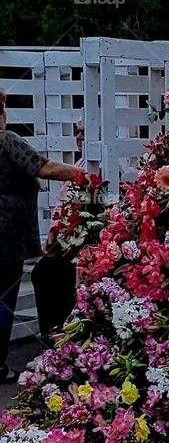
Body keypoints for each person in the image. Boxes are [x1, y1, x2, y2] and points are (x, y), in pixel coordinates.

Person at [0, 90, 84, 382]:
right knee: (4, 298)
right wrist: (83, 173)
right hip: (7, 236)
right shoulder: (6, 140)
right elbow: (44, 168)